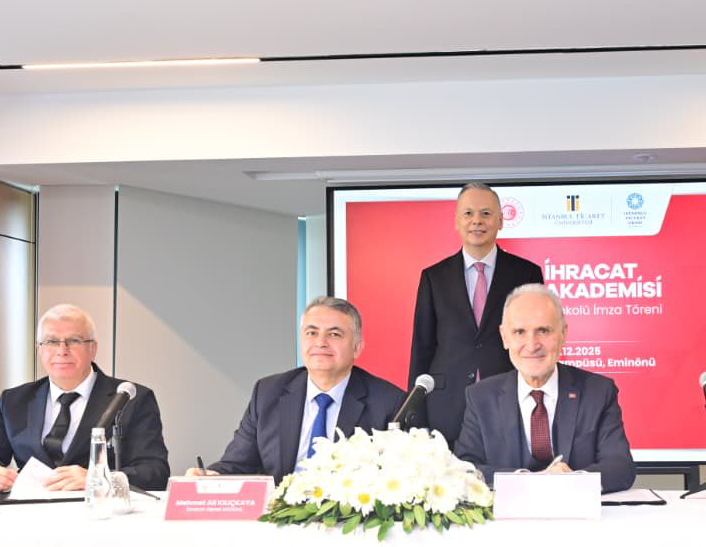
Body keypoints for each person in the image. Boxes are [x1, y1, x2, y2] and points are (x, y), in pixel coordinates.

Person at [0, 303, 170, 491]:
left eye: (74, 340)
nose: (62, 350)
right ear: (39, 349)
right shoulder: (14, 401)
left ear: (93, 348)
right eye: (51, 341)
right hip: (28, 518)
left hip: (100, 517)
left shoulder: (131, 398)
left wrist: (98, 479)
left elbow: (155, 472)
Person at [194, 297, 406, 478]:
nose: (320, 342)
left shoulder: (390, 403)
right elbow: (237, 465)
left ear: (357, 347)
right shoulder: (268, 393)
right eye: (311, 333)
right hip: (278, 510)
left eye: (334, 334)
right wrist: (211, 476)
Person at [454, 284, 635, 492]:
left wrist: (574, 480)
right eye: (519, 332)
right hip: (510, 512)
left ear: (563, 334)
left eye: (543, 331)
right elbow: (464, 470)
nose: (532, 345)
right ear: (504, 337)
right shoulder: (480, 397)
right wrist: (527, 480)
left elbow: (620, 467)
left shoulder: (599, 392)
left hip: (576, 510)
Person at [409, 182, 544, 443]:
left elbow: (537, 342)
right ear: (457, 221)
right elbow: (422, 348)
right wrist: (417, 418)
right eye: (468, 213)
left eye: (486, 213)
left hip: (510, 398)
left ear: (501, 220)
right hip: (446, 405)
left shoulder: (526, 273)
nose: (477, 221)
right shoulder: (434, 277)